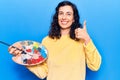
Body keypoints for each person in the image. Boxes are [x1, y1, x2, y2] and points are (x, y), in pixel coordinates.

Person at [8, 1, 101, 80]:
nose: (64, 17)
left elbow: (95, 66)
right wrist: (24, 59)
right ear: (57, 17)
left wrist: (87, 39)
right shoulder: (47, 41)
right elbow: (43, 73)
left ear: (73, 19)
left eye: (68, 14)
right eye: (61, 13)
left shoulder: (82, 40)